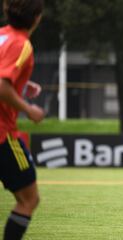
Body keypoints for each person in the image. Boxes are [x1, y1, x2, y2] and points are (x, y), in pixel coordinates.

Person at [0, 0, 45, 239]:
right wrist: (29, 109)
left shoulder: (1, 36)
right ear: (37, 17)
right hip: (2, 133)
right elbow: (2, 85)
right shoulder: (21, 44)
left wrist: (23, 84)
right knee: (29, 199)